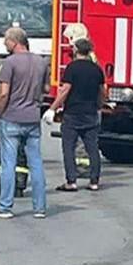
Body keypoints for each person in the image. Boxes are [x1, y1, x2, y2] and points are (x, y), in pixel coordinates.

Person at [0, 27, 48, 219]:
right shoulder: (41, 62)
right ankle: (40, 207)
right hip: (32, 117)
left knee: (8, 163)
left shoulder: (10, 63)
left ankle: (5, 206)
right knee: (35, 162)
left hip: (12, 116)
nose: (5, 44)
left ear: (14, 41)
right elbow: (46, 88)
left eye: (6, 40)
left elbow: (4, 93)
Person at [46, 38, 106, 192]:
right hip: (91, 113)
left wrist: (52, 108)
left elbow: (65, 90)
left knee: (68, 147)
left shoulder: (72, 68)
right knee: (92, 148)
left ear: (76, 50)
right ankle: (94, 181)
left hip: (73, 113)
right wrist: (99, 105)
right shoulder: (97, 69)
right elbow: (102, 92)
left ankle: (71, 181)